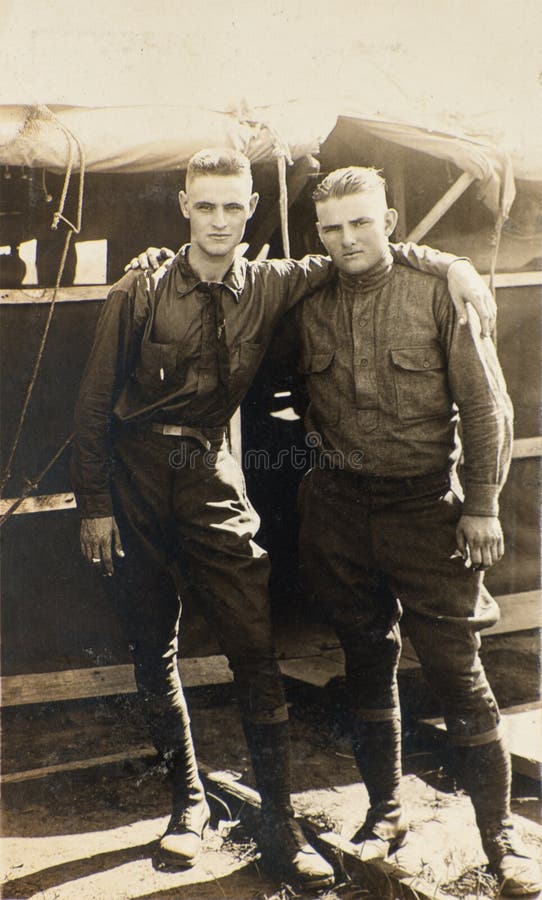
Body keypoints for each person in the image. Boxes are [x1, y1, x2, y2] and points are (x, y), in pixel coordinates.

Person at [72, 148, 495, 890]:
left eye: (234, 207)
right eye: (206, 206)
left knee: (255, 643)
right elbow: (89, 407)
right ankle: (189, 806)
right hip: (138, 479)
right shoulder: (140, 290)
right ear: (183, 208)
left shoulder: (276, 281)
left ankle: (280, 821)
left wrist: (454, 268)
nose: (220, 221)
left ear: (251, 212)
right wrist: (97, 505)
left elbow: (367, 255)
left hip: (209, 477)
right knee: (152, 645)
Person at [293, 167, 540, 896]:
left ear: (392, 220)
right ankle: (386, 809)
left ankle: (502, 843)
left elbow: (487, 407)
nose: (347, 240)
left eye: (361, 223)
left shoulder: (435, 291)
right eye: (333, 228)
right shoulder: (307, 300)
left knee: (457, 672)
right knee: (366, 662)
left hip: (426, 509)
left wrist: (485, 504)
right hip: (339, 510)